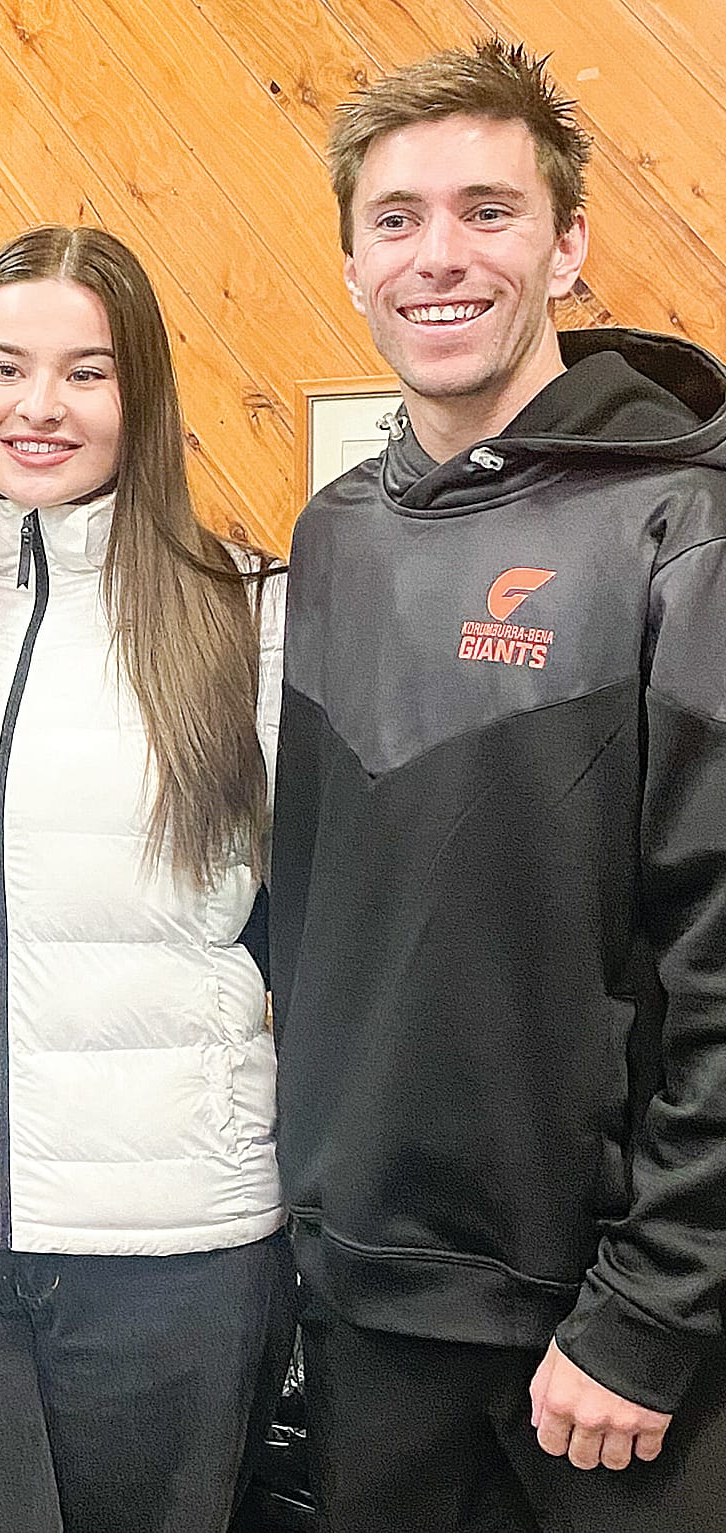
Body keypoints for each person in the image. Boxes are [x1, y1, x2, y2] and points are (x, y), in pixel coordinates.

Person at [271, 39, 726, 1530]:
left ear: (566, 242)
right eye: (394, 218)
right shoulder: (332, 533)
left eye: (487, 209)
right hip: (362, 1308)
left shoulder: (682, 524)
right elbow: (323, 911)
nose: (437, 256)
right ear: (349, 260)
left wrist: (650, 1309)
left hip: (597, 1338)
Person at [0, 225, 291, 1533]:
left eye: (84, 373)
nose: (37, 407)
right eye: (4, 366)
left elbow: (303, 920)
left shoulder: (248, 611)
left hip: (172, 1244)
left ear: (137, 398)